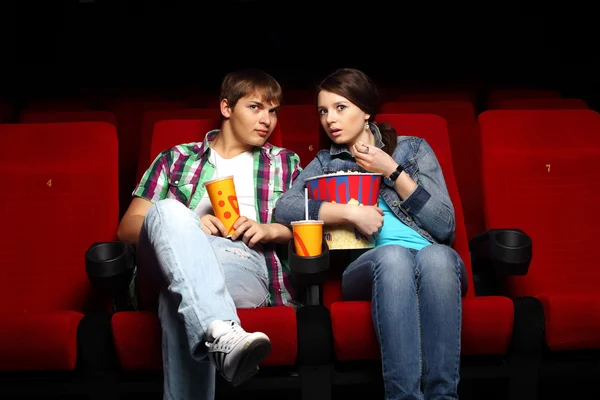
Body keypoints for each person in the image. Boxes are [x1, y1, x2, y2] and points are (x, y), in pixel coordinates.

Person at [274, 68, 468, 400]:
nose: (329, 120)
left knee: (437, 255)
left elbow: (445, 225)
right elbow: (286, 208)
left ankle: (443, 396)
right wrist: (349, 212)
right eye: (323, 111)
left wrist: (391, 171)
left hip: (433, 262)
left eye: (340, 107)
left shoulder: (413, 150)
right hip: (368, 266)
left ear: (365, 111)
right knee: (393, 257)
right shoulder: (325, 163)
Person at [117, 69, 302, 400]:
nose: (268, 120)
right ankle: (223, 331)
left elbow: (307, 226)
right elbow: (128, 227)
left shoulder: (284, 164)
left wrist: (269, 229)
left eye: (273, 111)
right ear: (227, 108)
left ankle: (217, 329)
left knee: (176, 300)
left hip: (241, 259)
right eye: (256, 107)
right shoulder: (175, 159)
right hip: (166, 258)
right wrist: (190, 223)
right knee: (169, 210)